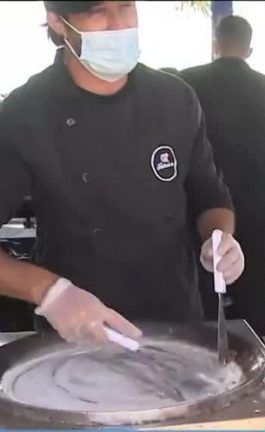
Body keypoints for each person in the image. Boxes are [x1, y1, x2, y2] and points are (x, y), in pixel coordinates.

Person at [0, 1, 245, 344]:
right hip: (80, 335)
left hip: (177, 325)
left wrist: (220, 238)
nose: (118, 25)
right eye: (98, 11)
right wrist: (49, 291)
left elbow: (210, 195)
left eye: (126, 6)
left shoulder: (175, 99)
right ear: (57, 21)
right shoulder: (25, 113)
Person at [180, 15, 265, 335]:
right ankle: (255, 353)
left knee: (203, 282)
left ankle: (202, 350)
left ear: (215, 44)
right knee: (253, 283)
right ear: (249, 49)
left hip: (200, 210)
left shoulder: (187, 83)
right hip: (256, 207)